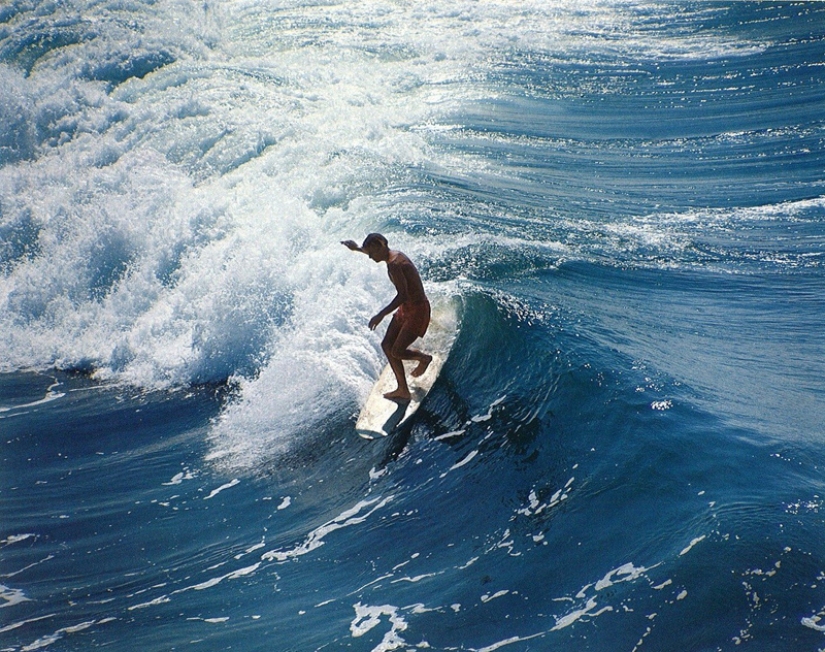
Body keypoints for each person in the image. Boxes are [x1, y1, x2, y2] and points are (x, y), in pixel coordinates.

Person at [342, 233, 432, 401]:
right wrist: (356, 249)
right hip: (407, 308)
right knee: (386, 345)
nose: (369, 257)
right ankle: (402, 389)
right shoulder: (390, 256)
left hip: (417, 311)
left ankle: (424, 358)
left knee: (397, 351)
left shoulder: (396, 266)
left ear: (380, 246)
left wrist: (380, 315)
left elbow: (402, 295)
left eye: (371, 253)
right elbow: (374, 252)